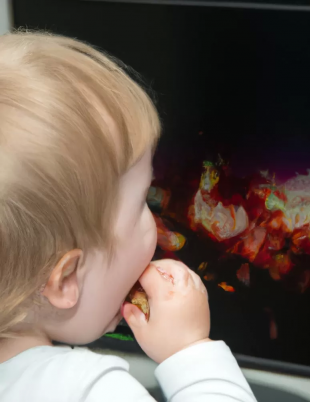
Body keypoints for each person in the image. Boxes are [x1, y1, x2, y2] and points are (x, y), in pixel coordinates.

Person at [0, 31, 257, 402]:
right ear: (65, 280)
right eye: (143, 204)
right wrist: (191, 352)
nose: (156, 222)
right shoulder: (89, 390)